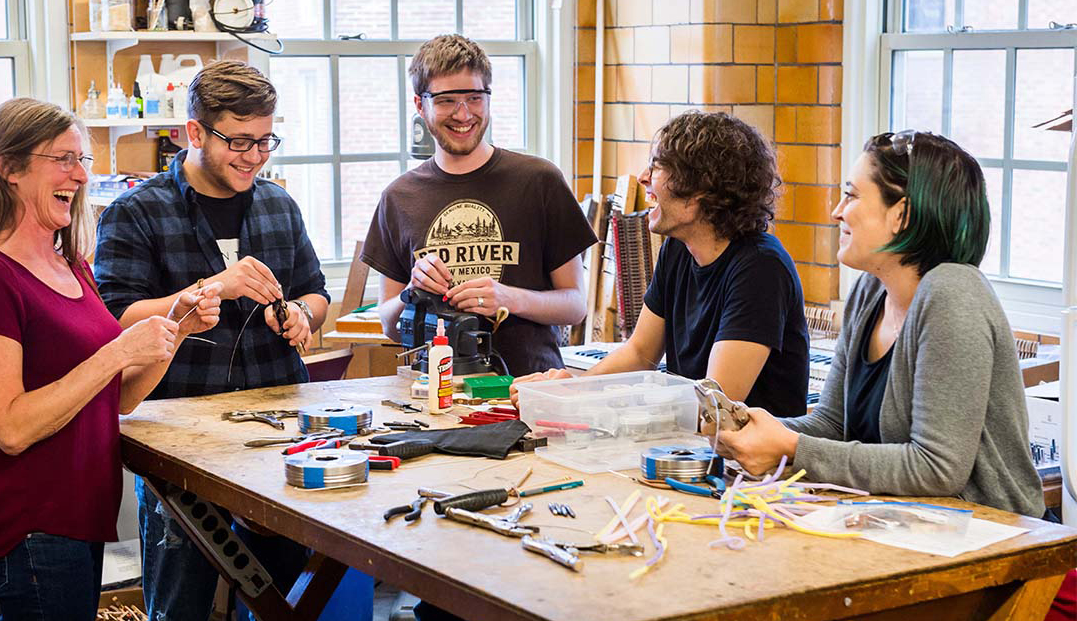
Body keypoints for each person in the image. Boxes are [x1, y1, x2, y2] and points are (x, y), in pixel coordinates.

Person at [0, 97, 221, 620]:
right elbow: (10, 427)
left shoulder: (70, 265)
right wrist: (118, 350)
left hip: (80, 517)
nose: (81, 175)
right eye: (63, 159)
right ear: (7, 168)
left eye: (84, 160)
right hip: (32, 527)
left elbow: (118, 397)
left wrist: (177, 329)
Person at [93, 61, 329, 620]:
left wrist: (302, 315)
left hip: (279, 435)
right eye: (239, 141)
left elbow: (316, 292)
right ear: (194, 132)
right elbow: (114, 321)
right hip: (179, 443)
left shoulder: (279, 205)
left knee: (282, 599)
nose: (255, 156)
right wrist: (208, 288)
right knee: (181, 603)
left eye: (265, 141)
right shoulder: (135, 212)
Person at [715, 130, 1045, 518]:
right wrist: (754, 430)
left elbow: (938, 470)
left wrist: (789, 446)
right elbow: (833, 424)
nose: (837, 211)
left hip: (995, 540)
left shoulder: (953, 295)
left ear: (900, 215)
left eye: (852, 196)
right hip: (907, 528)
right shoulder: (870, 291)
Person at [513, 111, 809, 417]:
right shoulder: (679, 250)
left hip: (756, 462)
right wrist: (567, 392)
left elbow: (716, 403)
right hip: (694, 448)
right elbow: (640, 353)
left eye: (657, 166)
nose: (643, 177)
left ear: (698, 192)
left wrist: (587, 403)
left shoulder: (760, 268)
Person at [362, 34, 597, 376]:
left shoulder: (539, 181)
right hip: (435, 400)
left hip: (528, 391)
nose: (463, 114)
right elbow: (387, 324)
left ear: (489, 98)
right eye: (446, 100)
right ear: (420, 104)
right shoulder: (399, 197)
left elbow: (575, 305)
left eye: (474, 97)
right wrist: (413, 292)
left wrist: (507, 298)